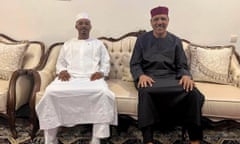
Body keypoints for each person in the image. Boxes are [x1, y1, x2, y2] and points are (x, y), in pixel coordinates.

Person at [36, 12, 117, 144]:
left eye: (86, 23)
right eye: (81, 23)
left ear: (90, 27)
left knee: (103, 93)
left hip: (92, 78)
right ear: (76, 26)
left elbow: (105, 62)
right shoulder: (68, 44)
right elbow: (61, 62)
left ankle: (96, 137)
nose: (84, 26)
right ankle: (50, 138)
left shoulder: (98, 44)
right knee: (50, 92)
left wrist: (101, 72)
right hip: (70, 78)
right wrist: (62, 71)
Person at [130, 6, 205, 144]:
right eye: (156, 19)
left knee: (193, 93)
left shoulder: (175, 40)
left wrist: (186, 75)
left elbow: (182, 65)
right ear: (151, 22)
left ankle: (195, 138)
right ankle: (148, 139)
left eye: (163, 19)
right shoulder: (141, 40)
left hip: (171, 77)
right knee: (145, 92)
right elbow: (135, 64)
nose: (159, 22)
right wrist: (140, 75)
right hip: (149, 78)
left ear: (168, 21)